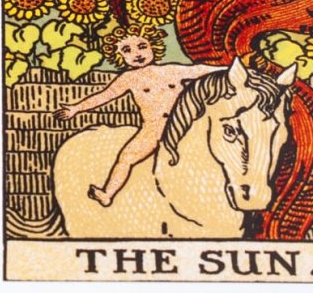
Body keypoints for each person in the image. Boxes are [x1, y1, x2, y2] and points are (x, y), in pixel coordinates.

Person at [56, 24, 220, 206]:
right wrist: (76, 108)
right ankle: (107, 193)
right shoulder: (128, 78)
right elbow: (104, 96)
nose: (137, 54)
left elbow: (199, 69)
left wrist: (233, 67)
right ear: (119, 56)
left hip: (181, 125)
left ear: (153, 46)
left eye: (142, 46)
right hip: (153, 130)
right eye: (127, 50)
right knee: (126, 158)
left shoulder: (171, 70)